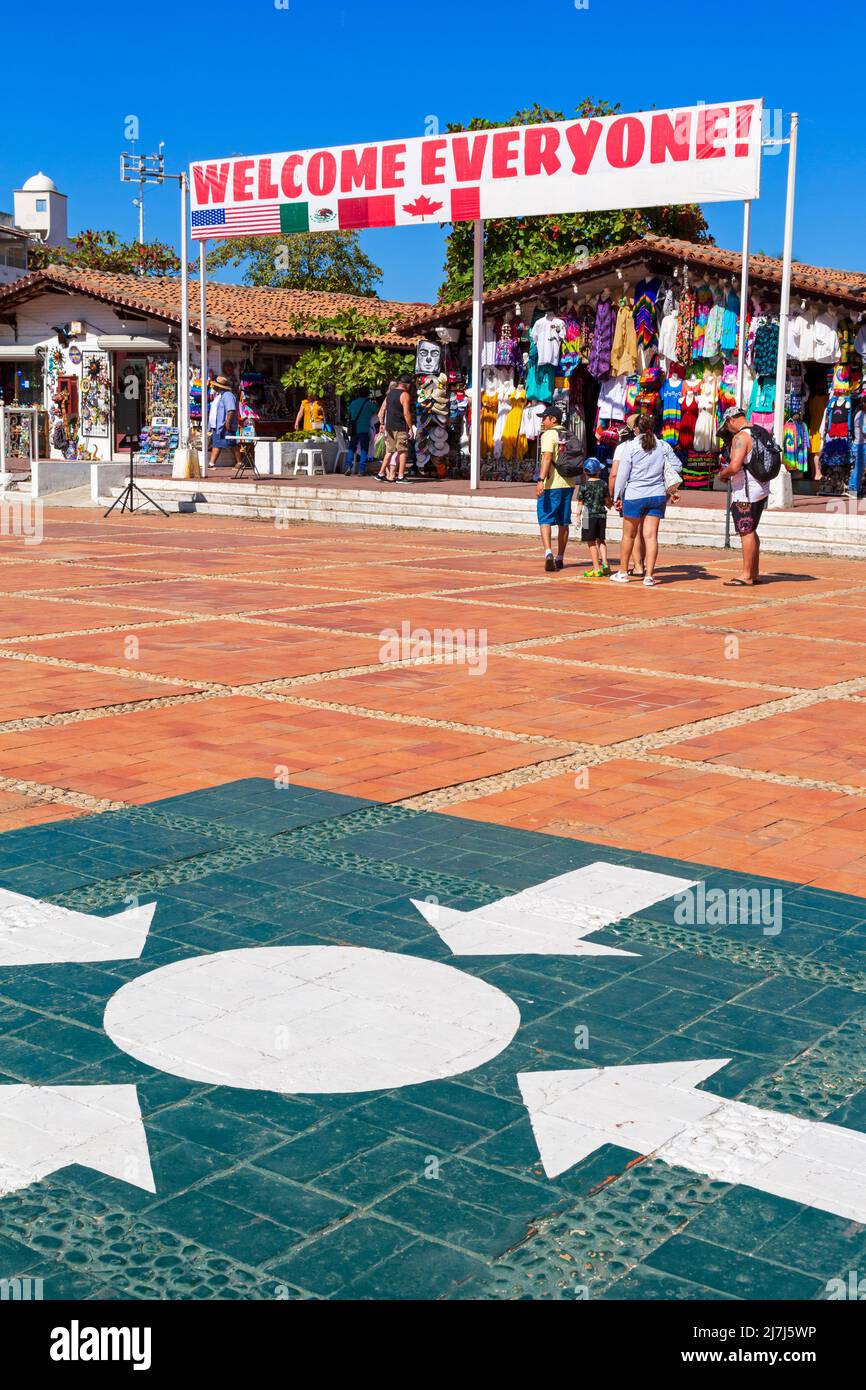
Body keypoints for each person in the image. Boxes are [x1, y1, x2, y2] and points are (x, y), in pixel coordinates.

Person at [610, 413, 681, 586]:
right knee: (651, 537)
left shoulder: (631, 446)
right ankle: (649, 575)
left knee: (629, 535)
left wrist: (616, 495)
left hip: (635, 493)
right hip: (657, 494)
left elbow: (622, 474)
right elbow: (678, 465)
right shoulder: (663, 445)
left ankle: (623, 572)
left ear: (635, 429)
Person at [717, 405, 769, 586]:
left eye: (727, 425)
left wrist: (722, 475)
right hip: (761, 490)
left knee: (745, 532)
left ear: (731, 420)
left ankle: (746, 574)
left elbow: (734, 466)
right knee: (752, 530)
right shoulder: (759, 431)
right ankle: (754, 572)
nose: (728, 429)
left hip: (745, 494)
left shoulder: (740, 437)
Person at [536, 406, 572, 572]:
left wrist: (540, 479)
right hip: (569, 483)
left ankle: (548, 552)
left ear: (553, 419)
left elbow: (547, 458)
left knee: (545, 518)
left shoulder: (549, 435)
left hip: (552, 484)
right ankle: (560, 557)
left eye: (545, 418)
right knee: (563, 521)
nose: (542, 421)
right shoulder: (569, 434)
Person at [609, 417, 646, 576]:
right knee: (647, 533)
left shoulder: (624, 447)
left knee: (633, 532)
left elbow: (615, 474)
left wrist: (613, 494)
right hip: (652, 492)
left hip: (632, 492)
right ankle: (645, 565)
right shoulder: (656, 444)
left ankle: (638, 566)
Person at [576, 458, 610, 577]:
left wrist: (577, 517)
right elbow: (607, 502)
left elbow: (580, 503)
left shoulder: (583, 486)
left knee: (591, 542)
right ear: (598, 471)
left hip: (586, 516)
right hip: (601, 514)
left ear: (586, 472)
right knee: (601, 540)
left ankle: (596, 568)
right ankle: (605, 563)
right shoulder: (603, 484)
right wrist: (610, 505)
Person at [378, 376, 414, 482]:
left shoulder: (390, 394)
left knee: (389, 451)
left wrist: (382, 424)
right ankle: (401, 476)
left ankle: (380, 473)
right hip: (400, 426)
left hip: (389, 426)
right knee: (403, 451)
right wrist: (411, 428)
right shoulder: (405, 395)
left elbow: (382, 411)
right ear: (407, 385)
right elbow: (406, 413)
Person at [208, 375, 240, 471]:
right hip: (217, 426)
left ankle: (239, 462)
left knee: (232, 443)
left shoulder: (228, 395)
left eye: (215, 385)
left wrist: (228, 422)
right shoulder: (219, 396)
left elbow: (230, 410)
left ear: (219, 386)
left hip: (224, 425)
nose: (213, 386)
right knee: (217, 443)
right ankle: (211, 463)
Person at [345, 387, 377, 476]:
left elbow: (349, 413)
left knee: (351, 448)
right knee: (364, 449)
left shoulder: (353, 403)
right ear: (367, 394)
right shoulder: (369, 404)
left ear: (358, 394)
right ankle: (361, 469)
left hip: (354, 429)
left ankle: (348, 466)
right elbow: (377, 410)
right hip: (364, 429)